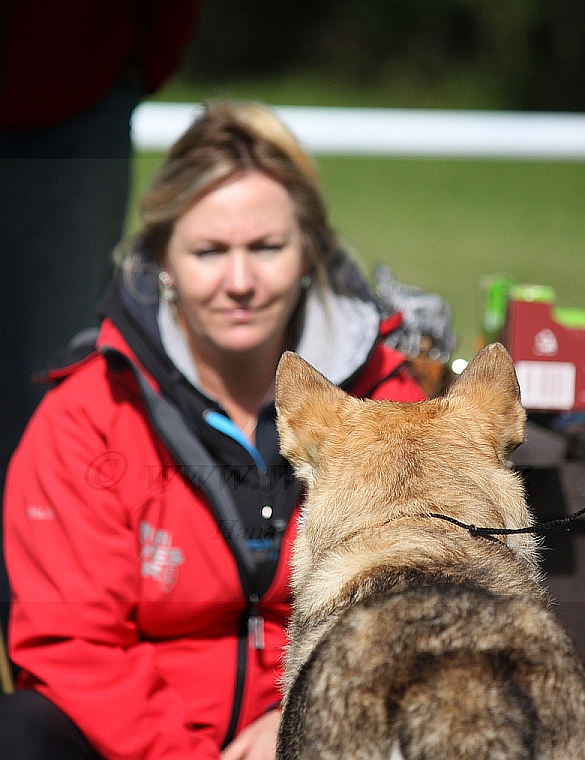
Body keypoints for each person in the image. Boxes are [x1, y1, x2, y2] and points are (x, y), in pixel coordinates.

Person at [0, 101, 426, 760]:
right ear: (161, 258)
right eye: (208, 251)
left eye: (266, 248)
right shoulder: (86, 413)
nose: (239, 282)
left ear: (309, 250)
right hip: (135, 743)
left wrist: (306, 717)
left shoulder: (385, 399)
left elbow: (418, 604)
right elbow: (74, 644)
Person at [0, 0, 203, 639]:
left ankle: (48, 634)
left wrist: (133, 60)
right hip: (80, 79)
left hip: (73, 93)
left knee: (50, 389)